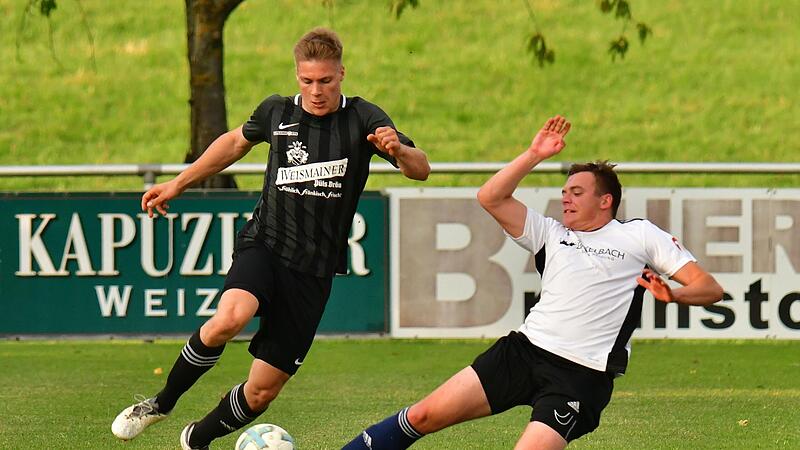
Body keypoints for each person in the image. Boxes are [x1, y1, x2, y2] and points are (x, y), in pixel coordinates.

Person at [111, 27, 430, 450]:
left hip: (314, 271)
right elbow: (232, 143)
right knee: (230, 318)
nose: (316, 90)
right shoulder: (276, 112)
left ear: (341, 74)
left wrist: (399, 151)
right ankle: (161, 403)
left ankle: (196, 439)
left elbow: (420, 168)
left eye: (326, 80)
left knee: (262, 390)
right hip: (265, 245)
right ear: (298, 76)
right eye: (307, 80)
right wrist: (178, 184)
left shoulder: (364, 118)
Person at [342, 115, 723, 450]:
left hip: (581, 375)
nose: (566, 200)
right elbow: (490, 196)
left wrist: (673, 294)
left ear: (606, 201)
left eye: (577, 193)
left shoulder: (639, 235)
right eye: (563, 193)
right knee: (423, 416)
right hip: (523, 352)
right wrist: (534, 155)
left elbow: (709, 288)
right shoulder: (550, 233)